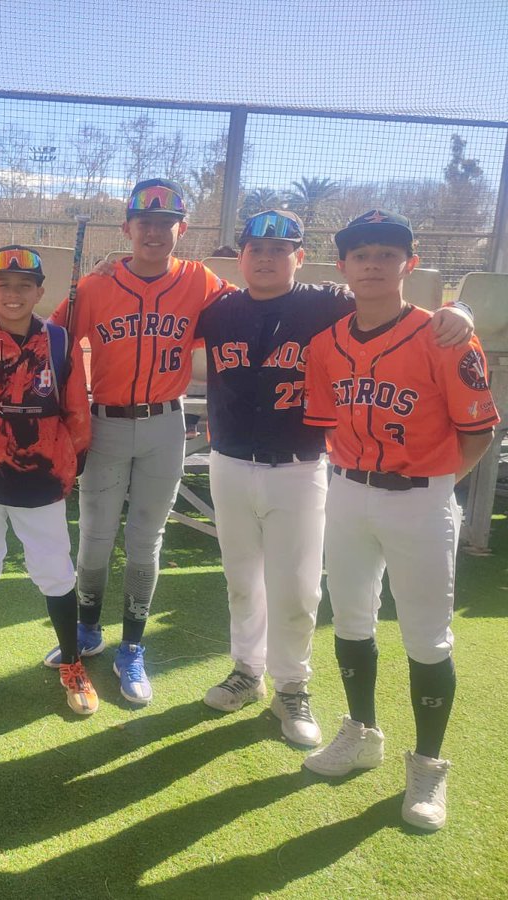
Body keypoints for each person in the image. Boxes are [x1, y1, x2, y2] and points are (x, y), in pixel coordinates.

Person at [196, 210, 473, 747]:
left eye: (282, 249)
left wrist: (457, 307)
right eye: (257, 249)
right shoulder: (220, 308)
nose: (269, 257)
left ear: (301, 257)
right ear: (241, 258)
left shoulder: (328, 300)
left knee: (297, 587)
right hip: (228, 462)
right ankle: (247, 671)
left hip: (301, 467)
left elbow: (397, 303)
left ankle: (293, 686)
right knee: (240, 580)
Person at [301, 210, 498, 831]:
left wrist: (434, 485)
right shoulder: (324, 345)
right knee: (353, 617)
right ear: (343, 268)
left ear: (409, 265)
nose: (374, 265)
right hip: (348, 492)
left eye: (388, 254)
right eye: (361, 255)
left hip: (420, 496)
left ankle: (429, 764)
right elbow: (326, 422)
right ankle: (361, 732)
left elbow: (478, 432)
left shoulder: (443, 336)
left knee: (426, 636)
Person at [46, 178, 231, 705]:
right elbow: (48, 339)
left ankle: (132, 646)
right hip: (103, 423)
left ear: (182, 229)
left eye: (165, 223)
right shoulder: (98, 286)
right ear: (127, 228)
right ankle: (85, 633)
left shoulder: (201, 282)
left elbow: (259, 314)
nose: (154, 232)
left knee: (146, 542)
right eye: (144, 222)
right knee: (96, 539)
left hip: (164, 426)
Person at [0, 245, 96, 713]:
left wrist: (73, 466)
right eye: (3, 286)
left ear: (40, 292)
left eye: (24, 286)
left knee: (54, 571)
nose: (13, 295)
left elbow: (76, 411)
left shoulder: (59, 342)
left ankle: (72, 662)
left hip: (41, 478)